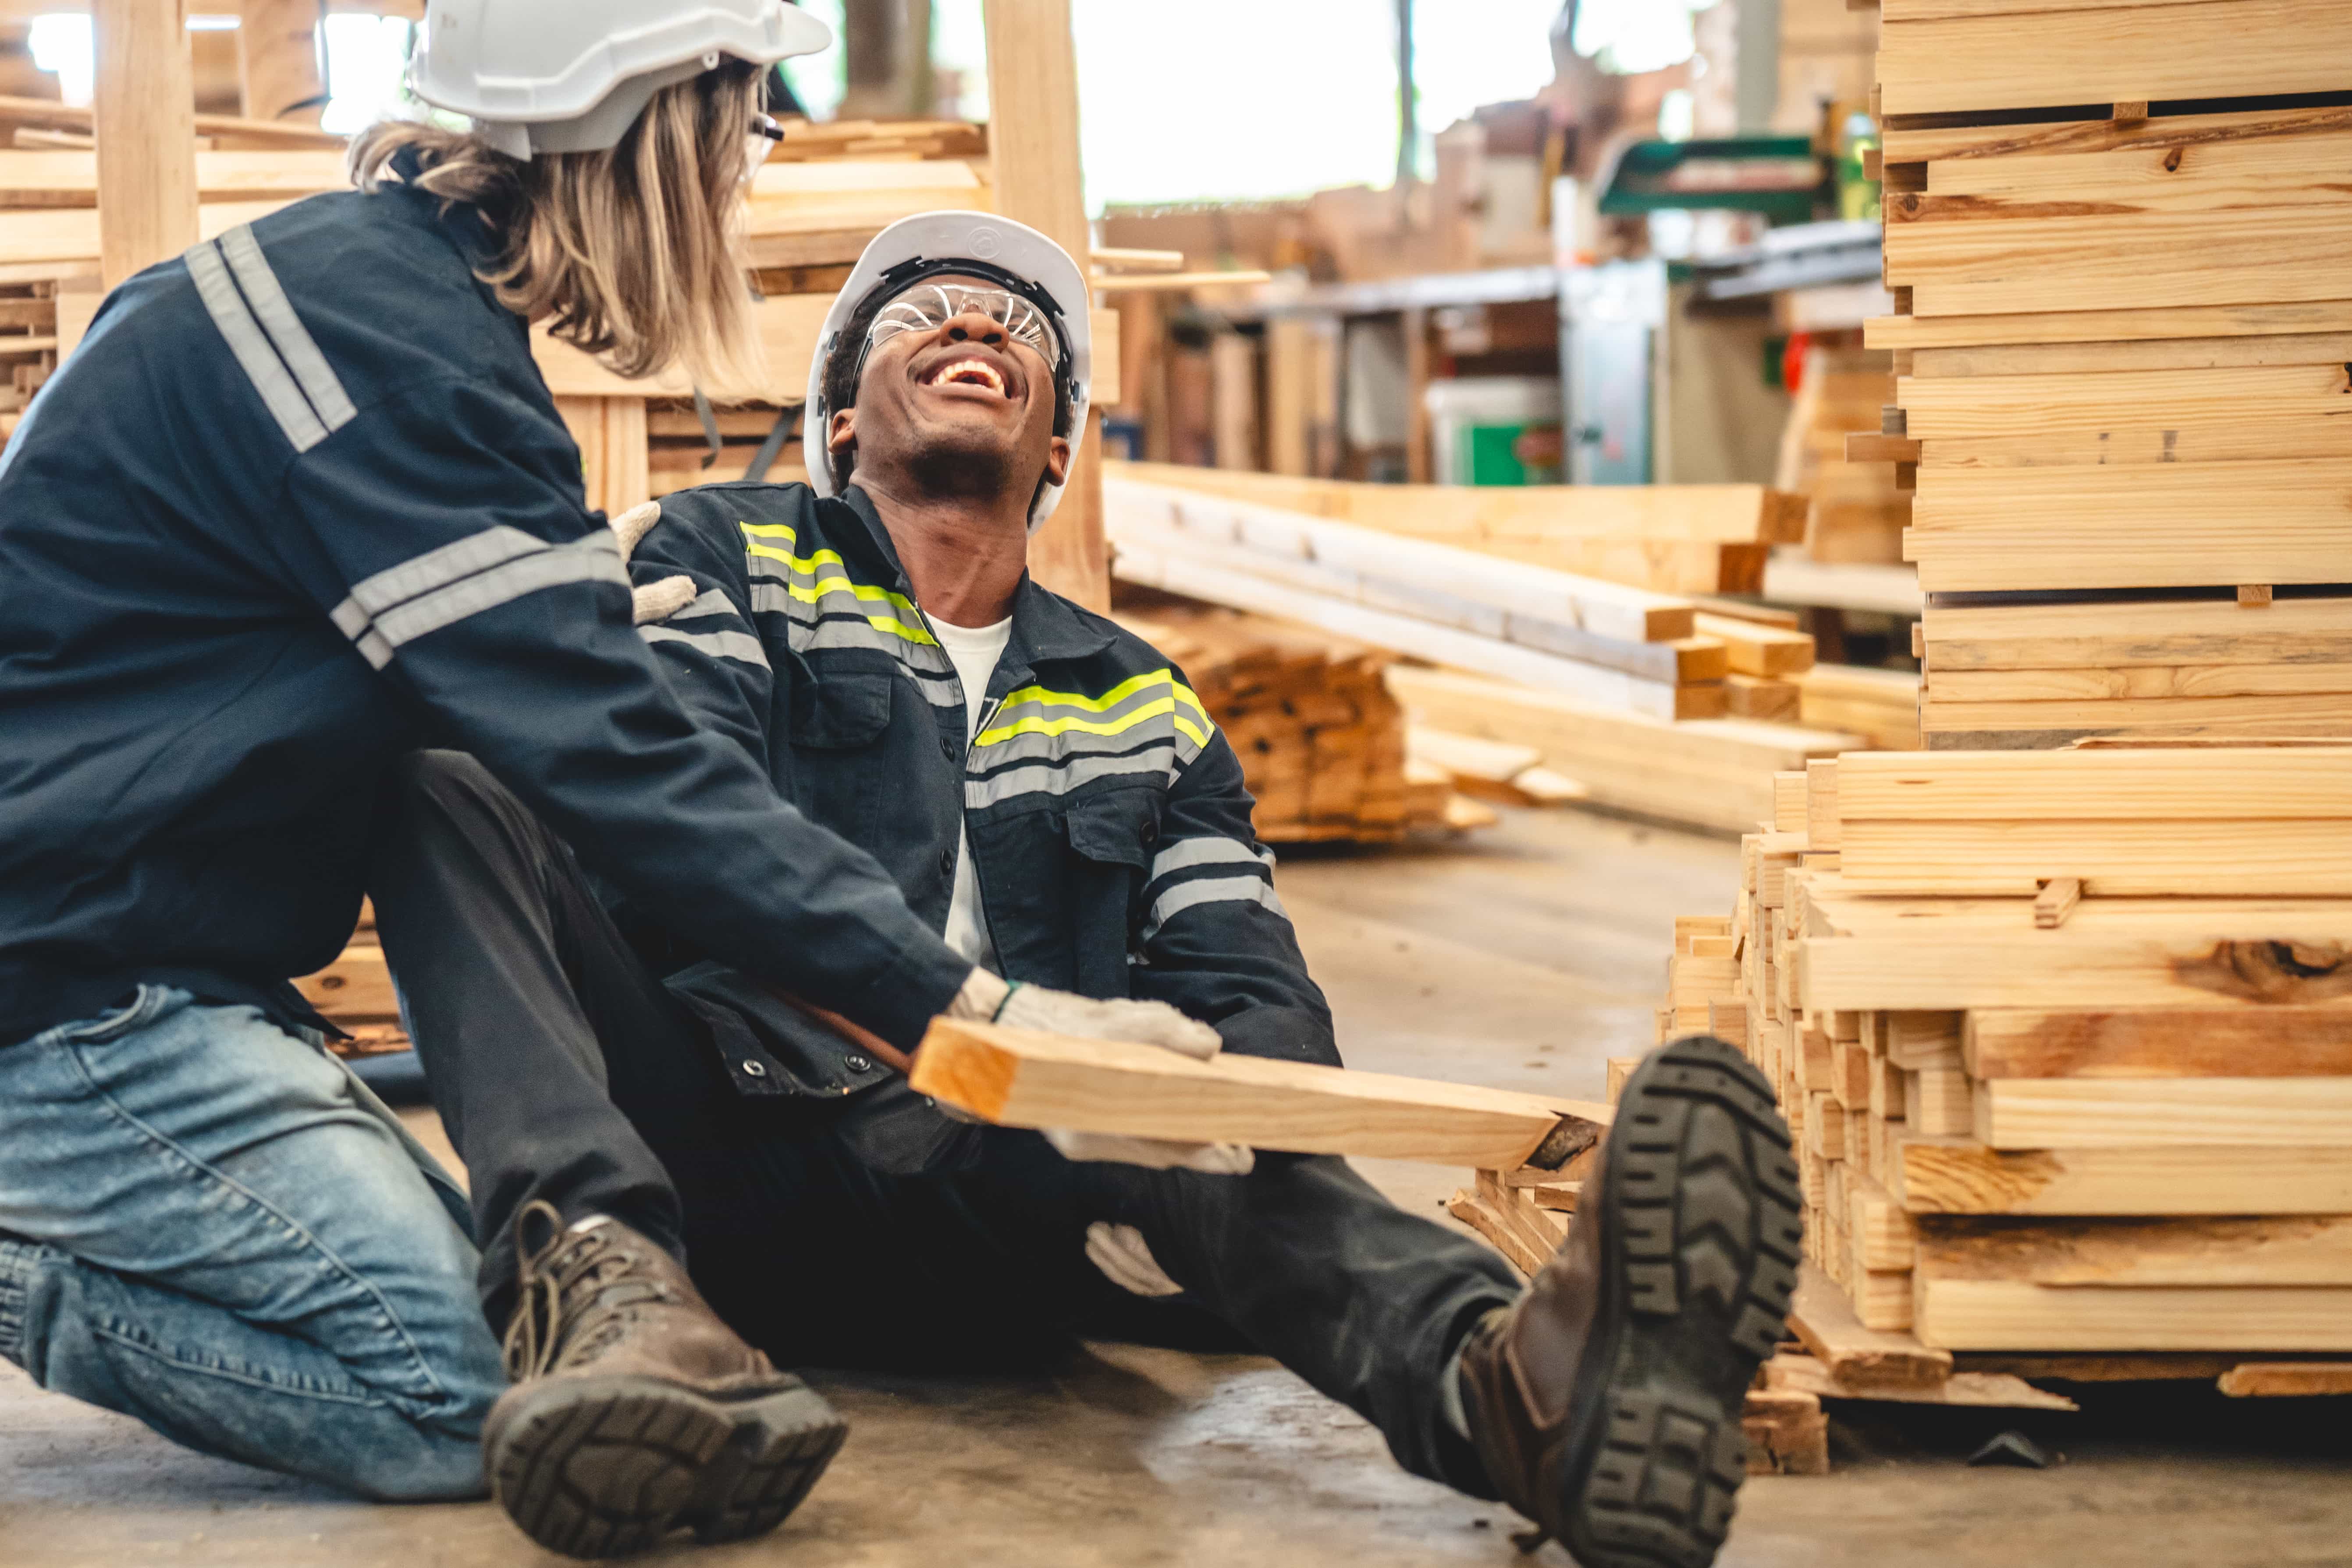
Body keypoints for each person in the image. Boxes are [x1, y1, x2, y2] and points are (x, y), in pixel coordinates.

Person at [371, 211, 1806, 1566]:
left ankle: (1523, 1398)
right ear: (843, 420)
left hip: (1014, 1208)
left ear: (1057, 438)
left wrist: (1233, 1167)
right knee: (442, 781)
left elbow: (1249, 991)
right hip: (721, 1149)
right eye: (923, 313)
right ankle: (602, 1282)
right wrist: (961, 1016)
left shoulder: (1144, 702)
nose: (973, 325)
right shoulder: (731, 559)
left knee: (1215, 1115)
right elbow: (688, 851)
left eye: (1015, 326)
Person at [0, 0, 1198, 1550]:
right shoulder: (395, 354)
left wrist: (552, 605)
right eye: (743, 127)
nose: (744, 173)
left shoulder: (358, 297)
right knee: (457, 1387)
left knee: (508, 1336)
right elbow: (625, 771)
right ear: (651, 128)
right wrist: (979, 1012)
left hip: (145, 958)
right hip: (64, 995)